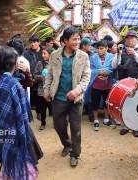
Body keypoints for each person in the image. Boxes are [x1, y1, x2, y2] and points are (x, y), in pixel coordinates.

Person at [0, 47, 42, 180]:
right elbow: (21, 113)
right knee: (19, 162)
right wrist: (22, 133)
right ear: (12, 64)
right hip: (16, 130)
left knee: (9, 161)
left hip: (3, 128)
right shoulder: (13, 84)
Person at [43, 27, 91, 167]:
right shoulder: (55, 55)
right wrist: (47, 90)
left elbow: (86, 77)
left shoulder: (83, 56)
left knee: (76, 128)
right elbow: (50, 74)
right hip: (58, 98)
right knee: (59, 125)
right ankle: (67, 144)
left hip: (76, 99)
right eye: (74, 39)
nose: (77, 41)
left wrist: (77, 90)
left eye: (78, 39)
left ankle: (75, 153)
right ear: (65, 41)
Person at [114, 30, 138, 137]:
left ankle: (136, 127)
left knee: (136, 103)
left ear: (136, 39)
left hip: (137, 81)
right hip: (123, 81)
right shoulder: (121, 50)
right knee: (124, 103)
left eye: (132, 38)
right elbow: (114, 65)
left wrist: (134, 53)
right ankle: (125, 126)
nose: (130, 40)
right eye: (128, 38)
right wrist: (118, 54)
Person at [88, 40, 114, 131]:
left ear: (106, 48)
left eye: (101, 48)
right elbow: (90, 69)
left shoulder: (112, 57)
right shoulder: (93, 57)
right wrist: (99, 71)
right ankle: (96, 120)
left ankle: (106, 119)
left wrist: (107, 72)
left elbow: (113, 68)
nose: (99, 50)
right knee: (95, 103)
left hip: (107, 85)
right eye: (98, 48)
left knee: (106, 103)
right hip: (96, 84)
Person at [23, 35, 43, 120]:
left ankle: (39, 112)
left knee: (40, 96)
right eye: (31, 42)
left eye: (34, 42)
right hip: (30, 77)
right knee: (31, 95)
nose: (32, 44)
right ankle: (30, 113)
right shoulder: (26, 53)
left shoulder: (43, 52)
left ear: (39, 42)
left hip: (41, 77)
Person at [34, 48, 54, 131]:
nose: (42, 55)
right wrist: (42, 77)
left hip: (52, 90)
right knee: (42, 108)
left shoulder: (54, 64)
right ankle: (43, 123)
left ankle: (56, 123)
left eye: (44, 53)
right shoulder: (39, 64)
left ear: (50, 55)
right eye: (42, 53)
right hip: (42, 90)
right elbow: (35, 75)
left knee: (53, 108)